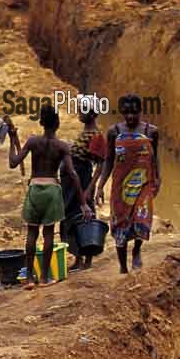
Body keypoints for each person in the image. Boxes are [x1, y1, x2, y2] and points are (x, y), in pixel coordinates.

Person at [6, 105, 90, 288]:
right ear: (58, 124)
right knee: (49, 233)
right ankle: (44, 278)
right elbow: (73, 174)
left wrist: (12, 140)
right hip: (52, 190)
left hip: (35, 189)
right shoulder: (62, 146)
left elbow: (13, 163)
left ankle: (29, 278)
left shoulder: (32, 142)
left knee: (32, 233)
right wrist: (83, 203)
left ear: (41, 122)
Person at [94, 94, 160, 274]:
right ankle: (123, 267)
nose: (130, 116)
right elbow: (108, 161)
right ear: (122, 112)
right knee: (120, 224)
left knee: (141, 218)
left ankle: (137, 250)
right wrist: (100, 186)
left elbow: (155, 158)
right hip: (120, 187)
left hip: (143, 184)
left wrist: (157, 178)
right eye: (127, 112)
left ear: (140, 111)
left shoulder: (151, 131)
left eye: (134, 112)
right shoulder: (114, 132)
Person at [62, 101, 107, 271]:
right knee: (73, 217)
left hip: (82, 181)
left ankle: (87, 259)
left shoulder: (96, 135)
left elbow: (100, 165)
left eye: (83, 111)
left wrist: (90, 189)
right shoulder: (86, 133)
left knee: (85, 218)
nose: (80, 113)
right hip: (73, 182)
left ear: (93, 114)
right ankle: (78, 258)